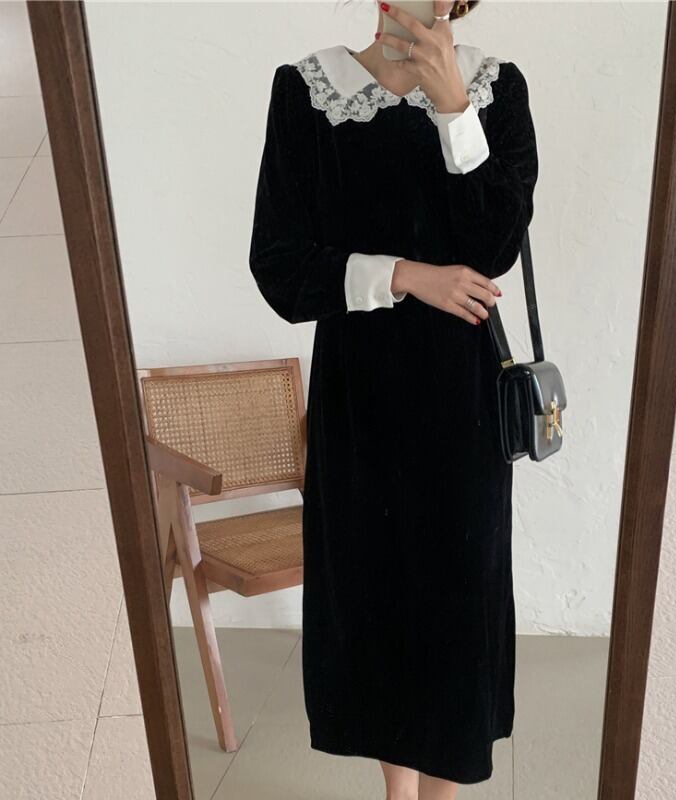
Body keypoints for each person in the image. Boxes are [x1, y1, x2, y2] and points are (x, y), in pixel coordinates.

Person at [249, 1, 538, 797]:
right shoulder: (309, 90)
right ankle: (397, 792)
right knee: (375, 591)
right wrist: (407, 277)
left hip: (462, 401)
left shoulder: (495, 88)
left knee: (455, 595)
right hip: (359, 396)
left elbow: (495, 244)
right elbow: (280, 264)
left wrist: (453, 105)